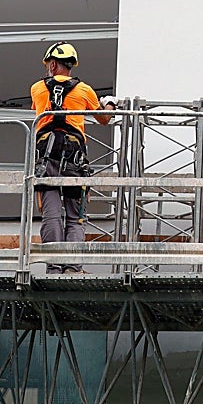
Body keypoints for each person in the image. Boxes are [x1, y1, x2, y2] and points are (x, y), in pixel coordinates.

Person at [30, 42, 115, 274]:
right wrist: (109, 103)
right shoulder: (84, 90)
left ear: (53, 64)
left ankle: (54, 266)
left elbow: (37, 110)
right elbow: (104, 118)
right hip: (74, 160)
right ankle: (72, 266)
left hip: (46, 160)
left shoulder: (37, 88)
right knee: (76, 216)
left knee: (51, 213)